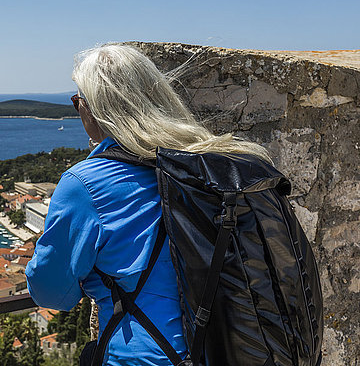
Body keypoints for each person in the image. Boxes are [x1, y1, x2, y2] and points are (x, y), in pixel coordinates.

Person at [24, 44, 274, 365]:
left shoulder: (84, 184)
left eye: (78, 101)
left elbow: (51, 292)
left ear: (97, 109)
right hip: (227, 348)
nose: (78, 110)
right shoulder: (213, 162)